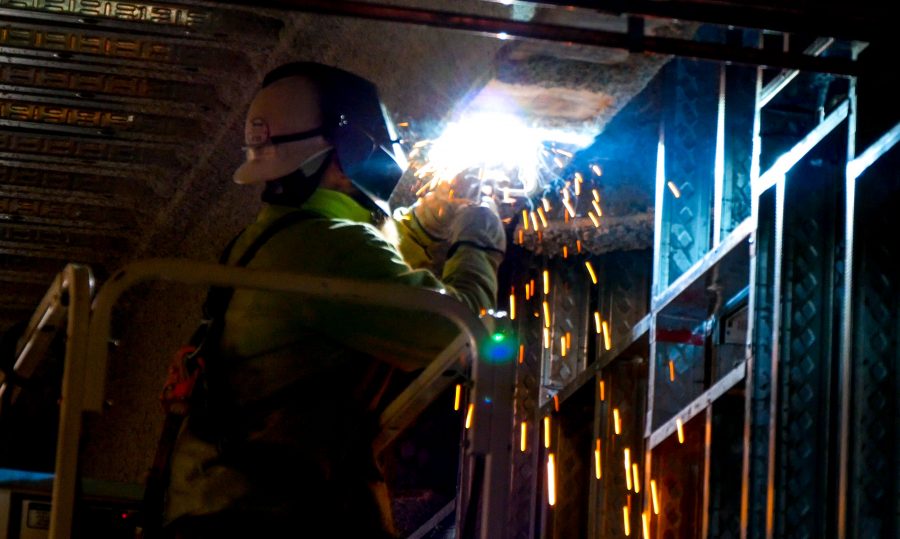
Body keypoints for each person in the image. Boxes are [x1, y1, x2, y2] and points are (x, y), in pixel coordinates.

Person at [159, 62, 505, 538]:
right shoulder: (329, 250)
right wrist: (477, 246)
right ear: (347, 154)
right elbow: (459, 332)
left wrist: (424, 227)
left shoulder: (273, 237)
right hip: (275, 522)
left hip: (220, 512)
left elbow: (362, 279)